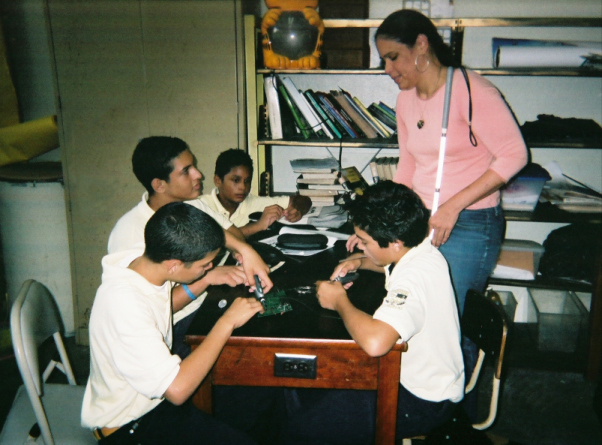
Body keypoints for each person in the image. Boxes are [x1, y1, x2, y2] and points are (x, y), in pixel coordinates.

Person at [346, 9, 528, 316]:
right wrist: (375, 221)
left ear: (421, 45)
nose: (388, 68)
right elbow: (408, 165)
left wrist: (451, 207)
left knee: (452, 322)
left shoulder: (472, 90)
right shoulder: (406, 100)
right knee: (419, 314)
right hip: (421, 220)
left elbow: (515, 155)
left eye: (393, 57)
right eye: (384, 61)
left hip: (469, 223)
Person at [279, 181, 464, 444]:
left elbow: (376, 343)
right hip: (421, 381)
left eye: (364, 242)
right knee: (309, 389)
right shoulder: (422, 253)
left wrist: (339, 301)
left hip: (419, 400)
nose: (360, 246)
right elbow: (391, 264)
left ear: (395, 242)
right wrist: (361, 261)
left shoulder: (413, 277)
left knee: (298, 427)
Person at [81, 202, 263, 444]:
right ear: (175, 265)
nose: (210, 266)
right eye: (205, 264)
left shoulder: (146, 257)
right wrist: (227, 322)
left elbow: (161, 307)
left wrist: (209, 275)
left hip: (153, 404)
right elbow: (177, 390)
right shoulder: (124, 306)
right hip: (132, 428)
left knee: (255, 401)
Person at [107, 136, 272, 357]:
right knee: (253, 352)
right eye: (186, 171)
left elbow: (230, 233)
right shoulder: (130, 234)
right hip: (174, 326)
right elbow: (152, 309)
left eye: (193, 165)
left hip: (206, 299)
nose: (198, 175)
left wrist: (245, 251)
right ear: (159, 184)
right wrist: (207, 278)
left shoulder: (190, 204)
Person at [200, 148, 312, 238]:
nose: (243, 187)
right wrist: (258, 225)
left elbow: (302, 200)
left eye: (247, 181)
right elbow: (213, 242)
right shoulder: (201, 206)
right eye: (236, 180)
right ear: (218, 180)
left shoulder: (252, 202)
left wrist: (298, 208)